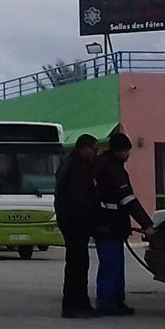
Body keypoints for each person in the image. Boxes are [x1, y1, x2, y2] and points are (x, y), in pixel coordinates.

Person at [90, 128, 154, 316]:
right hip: (109, 225)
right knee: (112, 265)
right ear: (117, 150)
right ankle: (108, 303)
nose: (128, 155)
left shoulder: (102, 164)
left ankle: (116, 301)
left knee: (114, 265)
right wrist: (147, 225)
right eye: (126, 151)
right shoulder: (112, 169)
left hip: (107, 224)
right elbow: (128, 200)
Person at [54, 134, 106, 317]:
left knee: (80, 263)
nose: (96, 152)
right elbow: (79, 199)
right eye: (94, 149)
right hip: (75, 223)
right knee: (76, 264)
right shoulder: (77, 167)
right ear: (85, 148)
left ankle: (81, 303)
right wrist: (90, 221)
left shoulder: (72, 164)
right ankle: (72, 305)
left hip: (73, 222)